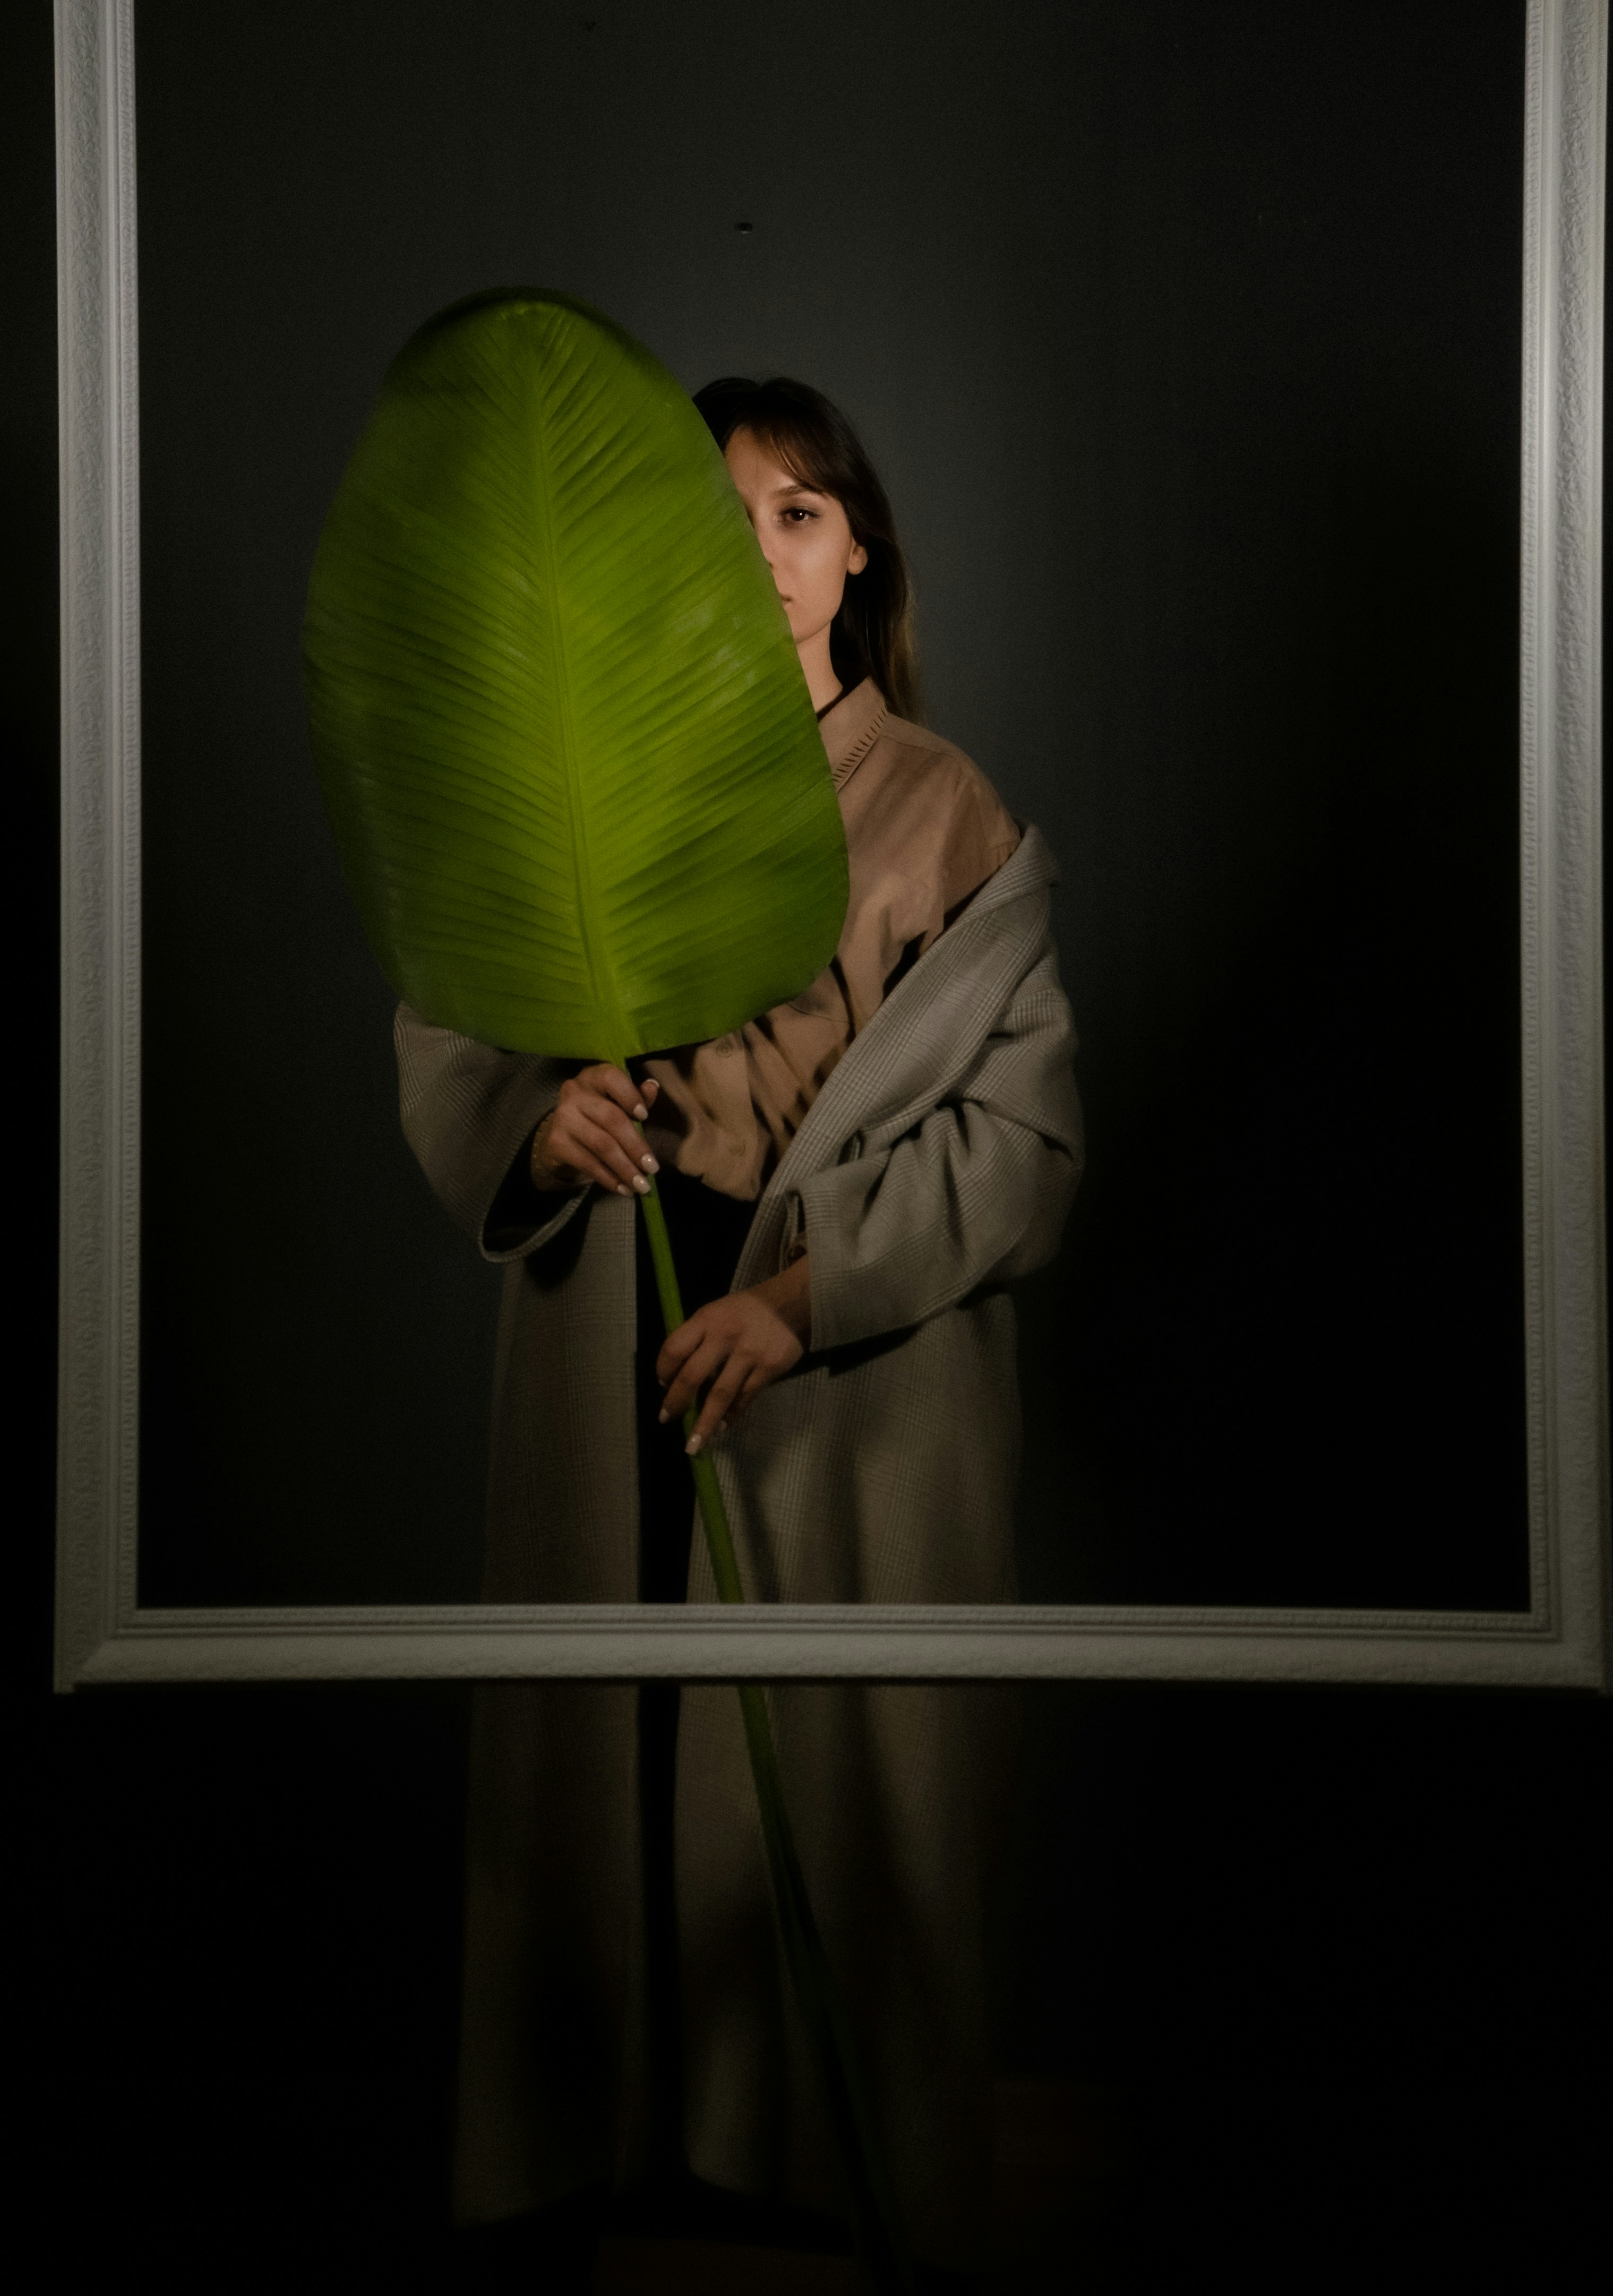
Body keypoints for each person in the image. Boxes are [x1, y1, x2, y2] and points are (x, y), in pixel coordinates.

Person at [394, 377, 1083, 2283]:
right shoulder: (595, 794)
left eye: (796, 514)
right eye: (719, 522)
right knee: (616, 1747)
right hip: (613, 1334)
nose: (761, 557)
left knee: (838, 1772)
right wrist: (544, 1113)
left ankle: (821, 2162)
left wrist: (800, 1301)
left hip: (848, 1385)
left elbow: (1023, 1149)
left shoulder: (946, 809)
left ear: (860, 550)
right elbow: (462, 1018)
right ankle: (614, 2155)